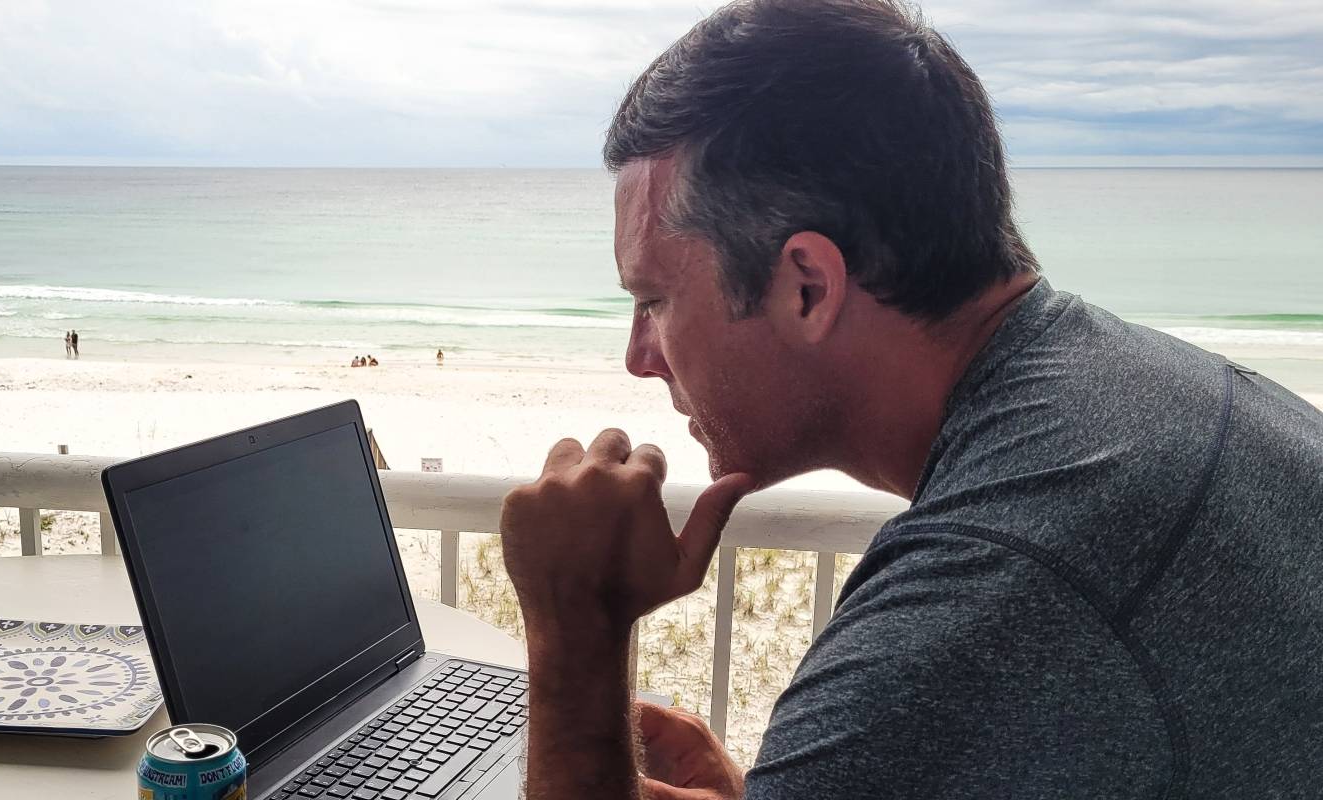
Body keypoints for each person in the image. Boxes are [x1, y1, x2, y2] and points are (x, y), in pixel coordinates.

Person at [497, 1, 1323, 799]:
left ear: (809, 287)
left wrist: (574, 628)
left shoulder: (980, 592)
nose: (639, 358)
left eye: (653, 301)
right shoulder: (1165, 392)